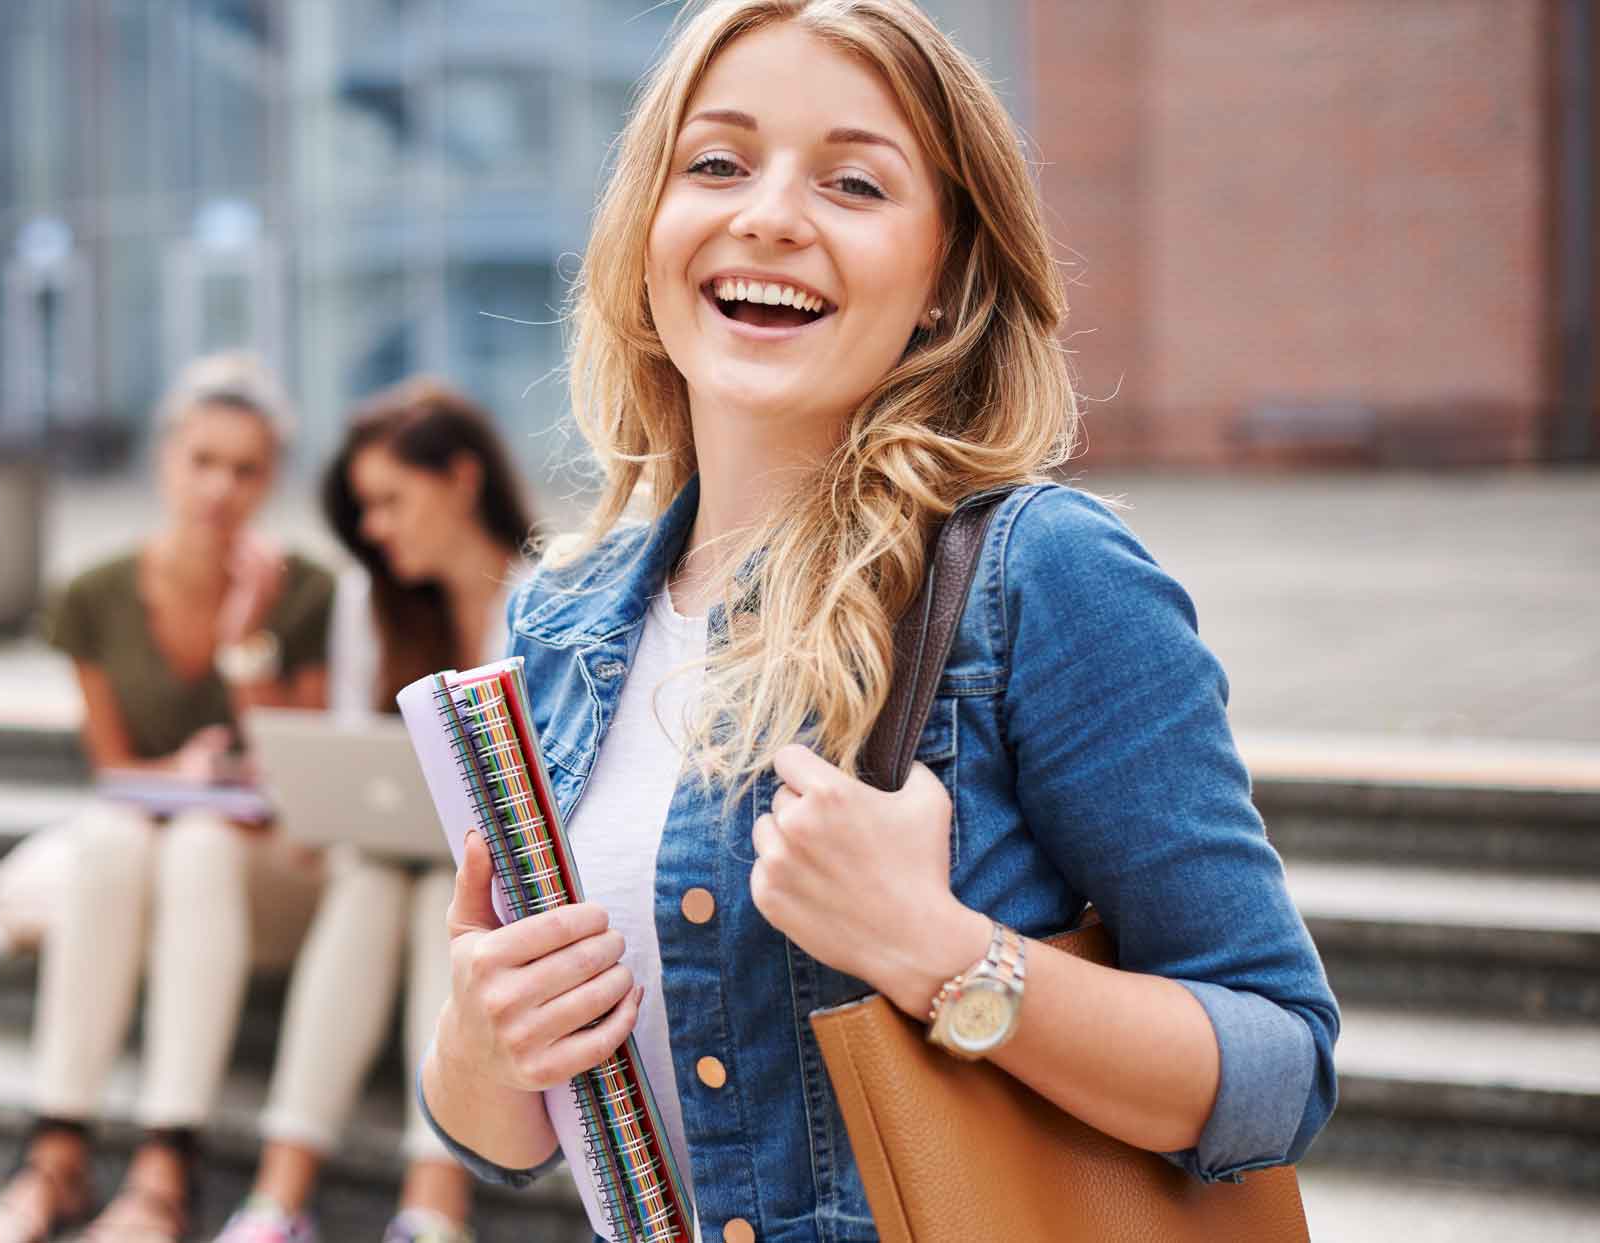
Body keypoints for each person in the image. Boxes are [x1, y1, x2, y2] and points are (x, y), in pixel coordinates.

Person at [416, 3, 1341, 1240]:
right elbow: (504, 1133)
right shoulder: (559, 621)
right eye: (717, 163)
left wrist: (937, 950)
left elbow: (1280, 1068)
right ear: (647, 223)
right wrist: (480, 1048)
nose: (769, 215)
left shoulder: (1038, 578)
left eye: (852, 183)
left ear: (946, 276)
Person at [0, 352, 336, 1243]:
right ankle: (56, 1152)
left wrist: (247, 641)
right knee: (111, 835)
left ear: (271, 479)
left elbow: (303, 776)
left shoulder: (303, 591)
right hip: (142, 839)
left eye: (245, 469)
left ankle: (168, 1168)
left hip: (257, 865)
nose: (220, 487)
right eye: (203, 460)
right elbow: (112, 765)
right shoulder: (93, 594)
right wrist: (187, 775)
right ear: (167, 459)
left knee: (199, 844)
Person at [209, 378, 534, 1243]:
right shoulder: (373, 600)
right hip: (392, 867)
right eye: (366, 509)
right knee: (380, 879)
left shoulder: (554, 594)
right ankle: (282, 1205)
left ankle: (427, 1205)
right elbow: (357, 768)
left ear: (462, 479)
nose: (378, 529)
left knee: (441, 893)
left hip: (518, 886)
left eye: (391, 500)